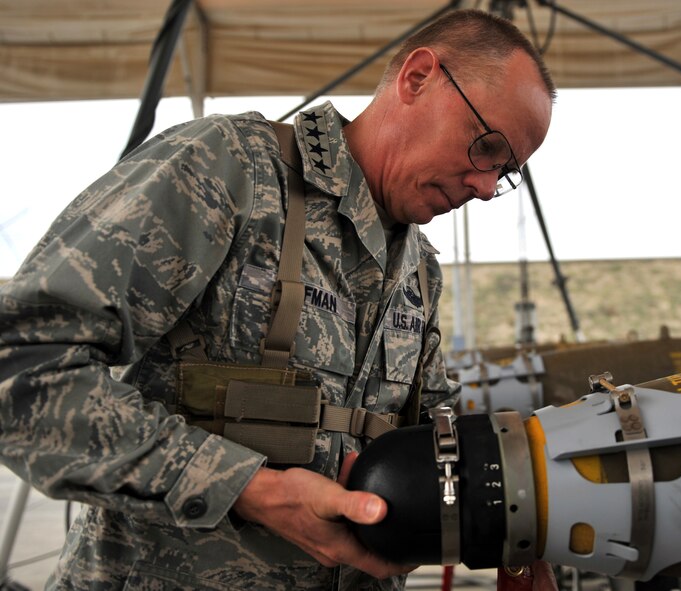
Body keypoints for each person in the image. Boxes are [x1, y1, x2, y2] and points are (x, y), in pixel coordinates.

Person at [0, 9, 555, 591]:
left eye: (507, 172)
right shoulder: (228, 171)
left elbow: (442, 442)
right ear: (418, 78)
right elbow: (21, 369)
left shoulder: (419, 272)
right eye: (487, 147)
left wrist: (525, 524)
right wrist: (248, 488)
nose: (488, 188)